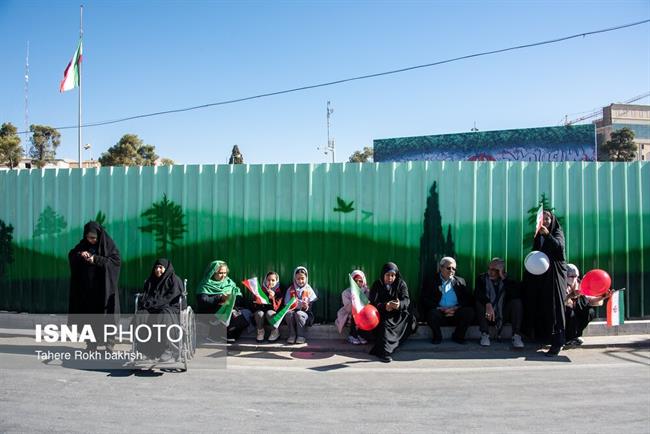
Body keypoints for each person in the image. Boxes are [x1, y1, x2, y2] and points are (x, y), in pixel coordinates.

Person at [68, 221, 121, 352]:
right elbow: (72, 255)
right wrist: (81, 255)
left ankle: (109, 344)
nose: (90, 240)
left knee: (107, 317)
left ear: (99, 235)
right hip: (88, 291)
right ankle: (91, 344)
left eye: (93, 238)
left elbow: (115, 262)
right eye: (88, 237)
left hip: (105, 290)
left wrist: (95, 259)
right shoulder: (83, 245)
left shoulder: (108, 245)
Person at [530, 210, 568, 356]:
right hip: (543, 276)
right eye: (543, 219)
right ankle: (546, 337)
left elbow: (559, 247)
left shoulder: (557, 232)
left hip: (556, 275)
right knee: (546, 306)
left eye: (548, 219)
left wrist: (547, 234)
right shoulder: (538, 236)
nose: (545, 221)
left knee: (557, 306)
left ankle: (558, 342)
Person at [135, 258, 184, 361]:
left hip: (170, 306)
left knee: (164, 314)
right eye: (156, 267)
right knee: (141, 314)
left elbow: (171, 297)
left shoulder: (174, 280)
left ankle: (168, 349)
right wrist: (149, 304)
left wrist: (155, 304)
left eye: (161, 267)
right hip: (153, 307)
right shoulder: (150, 281)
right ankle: (143, 350)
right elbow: (145, 296)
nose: (158, 270)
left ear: (166, 268)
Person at [419, 257, 474, 344]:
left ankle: (458, 336)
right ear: (441, 268)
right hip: (440, 312)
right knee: (431, 314)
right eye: (448, 268)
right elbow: (425, 298)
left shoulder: (460, 281)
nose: (451, 270)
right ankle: (437, 336)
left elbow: (467, 299)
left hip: (455, 312)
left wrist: (456, 308)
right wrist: (439, 308)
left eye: (453, 268)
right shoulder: (431, 281)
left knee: (469, 312)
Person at [368, 262, 415, 363]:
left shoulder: (401, 284)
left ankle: (393, 343)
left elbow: (406, 300)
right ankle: (384, 352)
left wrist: (399, 305)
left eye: (393, 275)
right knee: (384, 326)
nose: (390, 278)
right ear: (383, 275)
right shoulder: (377, 284)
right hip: (383, 313)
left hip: (398, 314)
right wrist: (385, 306)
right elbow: (373, 302)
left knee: (409, 320)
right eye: (388, 275)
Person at [475, 258, 524, 349]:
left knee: (517, 303)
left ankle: (516, 336)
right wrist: (488, 304)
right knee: (479, 303)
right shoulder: (482, 278)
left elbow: (515, 294)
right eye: (489, 268)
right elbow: (478, 294)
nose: (490, 272)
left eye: (494, 270)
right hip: (488, 313)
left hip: (502, 314)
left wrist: (503, 278)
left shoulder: (509, 280)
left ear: (501, 270)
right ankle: (485, 334)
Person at [196, 260, 250, 342]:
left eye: (225, 273)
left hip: (229, 309)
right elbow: (203, 301)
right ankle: (217, 336)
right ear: (213, 273)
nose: (223, 276)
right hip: (211, 311)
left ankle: (227, 334)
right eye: (220, 273)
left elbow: (239, 297)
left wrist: (232, 299)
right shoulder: (206, 284)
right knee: (225, 313)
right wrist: (220, 297)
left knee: (244, 314)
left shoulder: (228, 282)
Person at [564, 263, 611, 347]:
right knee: (570, 314)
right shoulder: (561, 285)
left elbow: (590, 299)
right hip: (565, 309)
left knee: (590, 312)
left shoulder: (580, 284)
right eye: (571, 276)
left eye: (575, 276)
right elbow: (561, 301)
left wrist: (603, 296)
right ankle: (567, 338)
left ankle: (575, 335)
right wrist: (571, 295)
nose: (574, 279)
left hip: (577, 307)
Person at [335, 269, 370, 345]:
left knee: (365, 315)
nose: (357, 283)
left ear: (363, 281)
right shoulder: (346, 292)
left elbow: (369, 306)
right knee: (355, 314)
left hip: (363, 314)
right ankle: (352, 335)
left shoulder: (367, 291)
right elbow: (348, 308)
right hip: (349, 315)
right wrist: (356, 300)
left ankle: (361, 335)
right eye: (355, 281)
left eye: (360, 281)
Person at [284, 266, 318, 344]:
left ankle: (301, 336)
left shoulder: (309, 290)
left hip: (305, 314)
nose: (300, 281)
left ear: (306, 278)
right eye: (298, 278)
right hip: (292, 312)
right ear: (294, 278)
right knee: (288, 314)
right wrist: (294, 304)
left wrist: (306, 306)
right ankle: (292, 335)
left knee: (299, 314)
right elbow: (286, 305)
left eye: (302, 278)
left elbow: (310, 308)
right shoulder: (290, 289)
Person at [252, 271, 283, 342]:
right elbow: (254, 307)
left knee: (270, 313)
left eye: (273, 280)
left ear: (277, 281)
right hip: (262, 316)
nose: (270, 282)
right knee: (259, 313)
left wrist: (273, 298)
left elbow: (277, 308)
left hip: (273, 315)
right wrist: (257, 302)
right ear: (265, 280)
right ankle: (260, 331)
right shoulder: (261, 290)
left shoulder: (279, 291)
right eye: (268, 280)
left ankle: (275, 331)